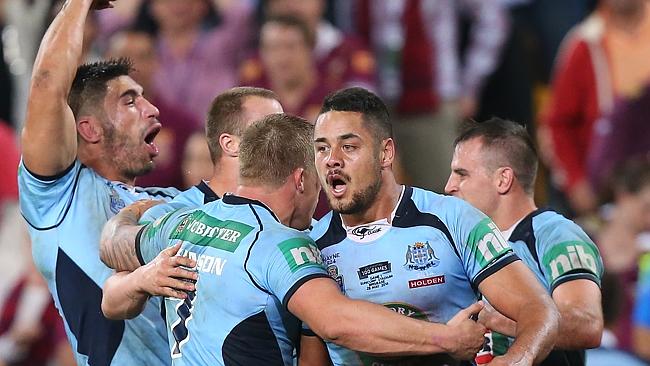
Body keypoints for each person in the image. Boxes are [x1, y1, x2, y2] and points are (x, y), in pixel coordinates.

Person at [99, 113, 487, 365]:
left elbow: (111, 270)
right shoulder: (278, 244)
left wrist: (135, 240)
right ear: (301, 179)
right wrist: (445, 337)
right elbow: (335, 321)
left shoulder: (182, 224)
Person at [306, 87, 559, 365]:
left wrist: (516, 361)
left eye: (349, 146)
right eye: (322, 148)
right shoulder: (311, 248)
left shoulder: (452, 219)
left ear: (386, 153)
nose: (332, 160)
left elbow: (538, 309)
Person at [17, 0, 179, 364]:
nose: (152, 109)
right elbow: (46, 85)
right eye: (130, 100)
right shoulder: (60, 198)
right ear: (88, 129)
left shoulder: (172, 200)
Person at [445, 118, 604, 365]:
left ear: (503, 180)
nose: (449, 186)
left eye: (461, 174)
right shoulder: (460, 242)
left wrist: (501, 319)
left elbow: (587, 324)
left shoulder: (557, 235)